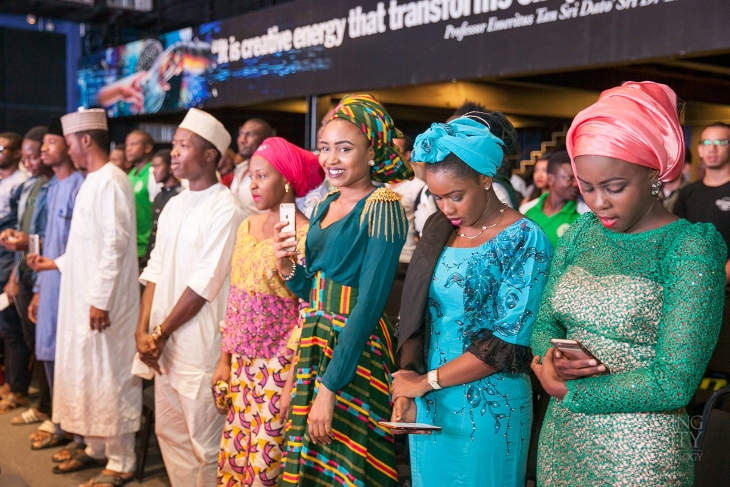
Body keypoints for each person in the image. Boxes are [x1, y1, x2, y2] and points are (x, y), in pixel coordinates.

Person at [530, 81, 727, 487]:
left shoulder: (689, 247)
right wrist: (547, 360)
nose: (599, 202)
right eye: (587, 187)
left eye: (614, 187)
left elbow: (674, 382)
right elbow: (545, 325)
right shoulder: (580, 234)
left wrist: (572, 392)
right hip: (562, 440)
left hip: (638, 453)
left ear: (654, 174)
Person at [391, 112, 552, 487]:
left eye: (455, 196)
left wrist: (426, 382)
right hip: (431, 399)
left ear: (485, 178)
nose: (446, 208)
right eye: (437, 197)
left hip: (490, 405)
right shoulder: (439, 228)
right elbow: (418, 313)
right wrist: (412, 381)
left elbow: (507, 340)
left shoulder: (525, 239)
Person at [273, 94, 411, 487]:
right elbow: (312, 289)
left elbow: (368, 306)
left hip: (353, 348)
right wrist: (287, 269)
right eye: (325, 148)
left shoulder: (382, 205)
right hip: (315, 337)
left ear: (371, 153)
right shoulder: (325, 202)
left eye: (344, 149)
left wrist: (328, 388)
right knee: (311, 463)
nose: (331, 159)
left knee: (345, 465)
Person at [28, 108, 141, 486]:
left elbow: (114, 244)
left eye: (70, 142)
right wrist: (54, 263)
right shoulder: (93, 180)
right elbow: (85, 247)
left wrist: (101, 300)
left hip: (103, 304)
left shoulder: (111, 180)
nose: (68, 149)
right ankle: (96, 448)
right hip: (86, 298)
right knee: (88, 375)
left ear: (85, 140)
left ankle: (122, 460)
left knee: (109, 376)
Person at [136, 108, 244, 487]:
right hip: (162, 342)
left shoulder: (226, 208)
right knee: (171, 435)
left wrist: (159, 332)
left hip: (199, 345)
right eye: (175, 144)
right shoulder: (175, 203)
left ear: (211, 155)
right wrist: (142, 331)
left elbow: (204, 284)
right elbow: (154, 268)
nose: (174, 153)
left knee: (205, 443)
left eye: (184, 145)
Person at [214, 137, 324, 486]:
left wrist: (293, 380)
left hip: (279, 367)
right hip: (242, 363)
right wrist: (223, 359)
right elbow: (236, 299)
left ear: (288, 181)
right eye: (251, 177)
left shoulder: (305, 235)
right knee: (234, 457)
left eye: (262, 176)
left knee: (266, 465)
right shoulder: (247, 227)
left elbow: (307, 309)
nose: (253, 185)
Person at [26, 117, 86, 454]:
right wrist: (36, 289)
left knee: (71, 358)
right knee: (48, 352)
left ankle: (79, 434)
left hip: (71, 284)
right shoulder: (51, 188)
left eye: (51, 142)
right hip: (48, 283)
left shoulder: (81, 184)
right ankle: (61, 424)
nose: (46, 149)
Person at [1, 126, 54, 426]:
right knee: (30, 339)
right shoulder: (30, 186)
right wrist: (14, 270)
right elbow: (26, 230)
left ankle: (48, 408)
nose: (32, 162)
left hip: (45, 270)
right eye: (28, 158)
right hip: (23, 268)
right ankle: (41, 404)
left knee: (44, 344)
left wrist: (28, 243)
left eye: (35, 156)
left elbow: (56, 239)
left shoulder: (54, 186)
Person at [0, 131, 29, 412]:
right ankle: (9, 382)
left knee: (11, 327)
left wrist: (13, 275)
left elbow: (22, 228)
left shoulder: (21, 183)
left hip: (10, 261)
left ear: (17, 153)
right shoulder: (3, 181)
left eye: (2, 148)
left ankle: (18, 389)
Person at [520, 150, 581, 248]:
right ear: (551, 178)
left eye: (578, 179)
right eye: (569, 178)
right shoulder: (526, 210)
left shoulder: (584, 214)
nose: (576, 184)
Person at [126, 129, 161, 269]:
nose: (128, 149)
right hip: (130, 245)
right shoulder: (131, 174)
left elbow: (158, 211)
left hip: (146, 247)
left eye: (133, 144)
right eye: (127, 145)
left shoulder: (153, 173)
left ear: (147, 148)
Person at [143, 149, 181, 262]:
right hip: (152, 256)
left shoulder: (179, 196)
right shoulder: (159, 195)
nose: (154, 171)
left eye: (157, 166)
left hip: (168, 258)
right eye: (153, 166)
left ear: (170, 168)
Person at [231, 118, 274, 218]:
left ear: (265, 140)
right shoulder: (240, 169)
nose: (242, 140)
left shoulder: (272, 171)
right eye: (241, 134)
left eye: (249, 135)